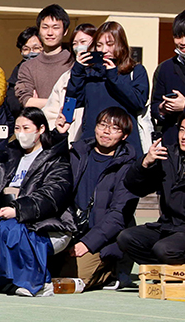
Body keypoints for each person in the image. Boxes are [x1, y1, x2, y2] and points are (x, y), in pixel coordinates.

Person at [0, 108, 74, 297]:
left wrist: (17, 209)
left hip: (44, 221)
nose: (21, 133)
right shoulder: (10, 155)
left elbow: (52, 195)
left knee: (11, 231)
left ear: (41, 129)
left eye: (26, 128)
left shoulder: (56, 159)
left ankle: (33, 281)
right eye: (17, 128)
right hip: (7, 215)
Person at [50, 107, 137, 290]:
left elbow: (117, 217)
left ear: (124, 135)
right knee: (42, 268)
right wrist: (58, 134)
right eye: (102, 125)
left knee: (73, 278)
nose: (106, 131)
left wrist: (87, 243)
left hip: (104, 238)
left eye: (114, 128)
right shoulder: (78, 153)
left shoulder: (128, 167)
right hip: (71, 231)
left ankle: (111, 270)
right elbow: (50, 165)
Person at [117, 110, 185, 266]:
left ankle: (182, 269)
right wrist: (145, 163)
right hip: (167, 226)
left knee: (164, 249)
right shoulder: (169, 155)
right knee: (126, 238)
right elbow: (136, 188)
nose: (184, 136)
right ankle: (161, 270)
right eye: (181, 129)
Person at [65, 21, 148, 156]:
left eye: (110, 44)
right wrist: (78, 71)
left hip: (125, 147)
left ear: (121, 44)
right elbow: (71, 103)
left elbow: (138, 102)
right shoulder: (90, 72)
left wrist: (113, 77)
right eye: (99, 45)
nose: (104, 50)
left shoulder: (135, 70)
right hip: (92, 145)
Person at [151, 7, 185, 147]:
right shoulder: (165, 68)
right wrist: (162, 108)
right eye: (178, 36)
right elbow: (154, 105)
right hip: (172, 145)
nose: (183, 42)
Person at [41, 23, 96, 139]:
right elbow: (51, 112)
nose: (79, 47)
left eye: (83, 42)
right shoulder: (66, 77)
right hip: (72, 138)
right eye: (75, 44)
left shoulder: (107, 74)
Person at [16, 4, 72, 109]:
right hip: (38, 123)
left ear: (65, 31)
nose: (50, 33)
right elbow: (27, 101)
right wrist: (61, 102)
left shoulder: (74, 63)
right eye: (45, 27)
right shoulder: (28, 67)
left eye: (55, 27)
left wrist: (39, 102)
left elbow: (78, 101)